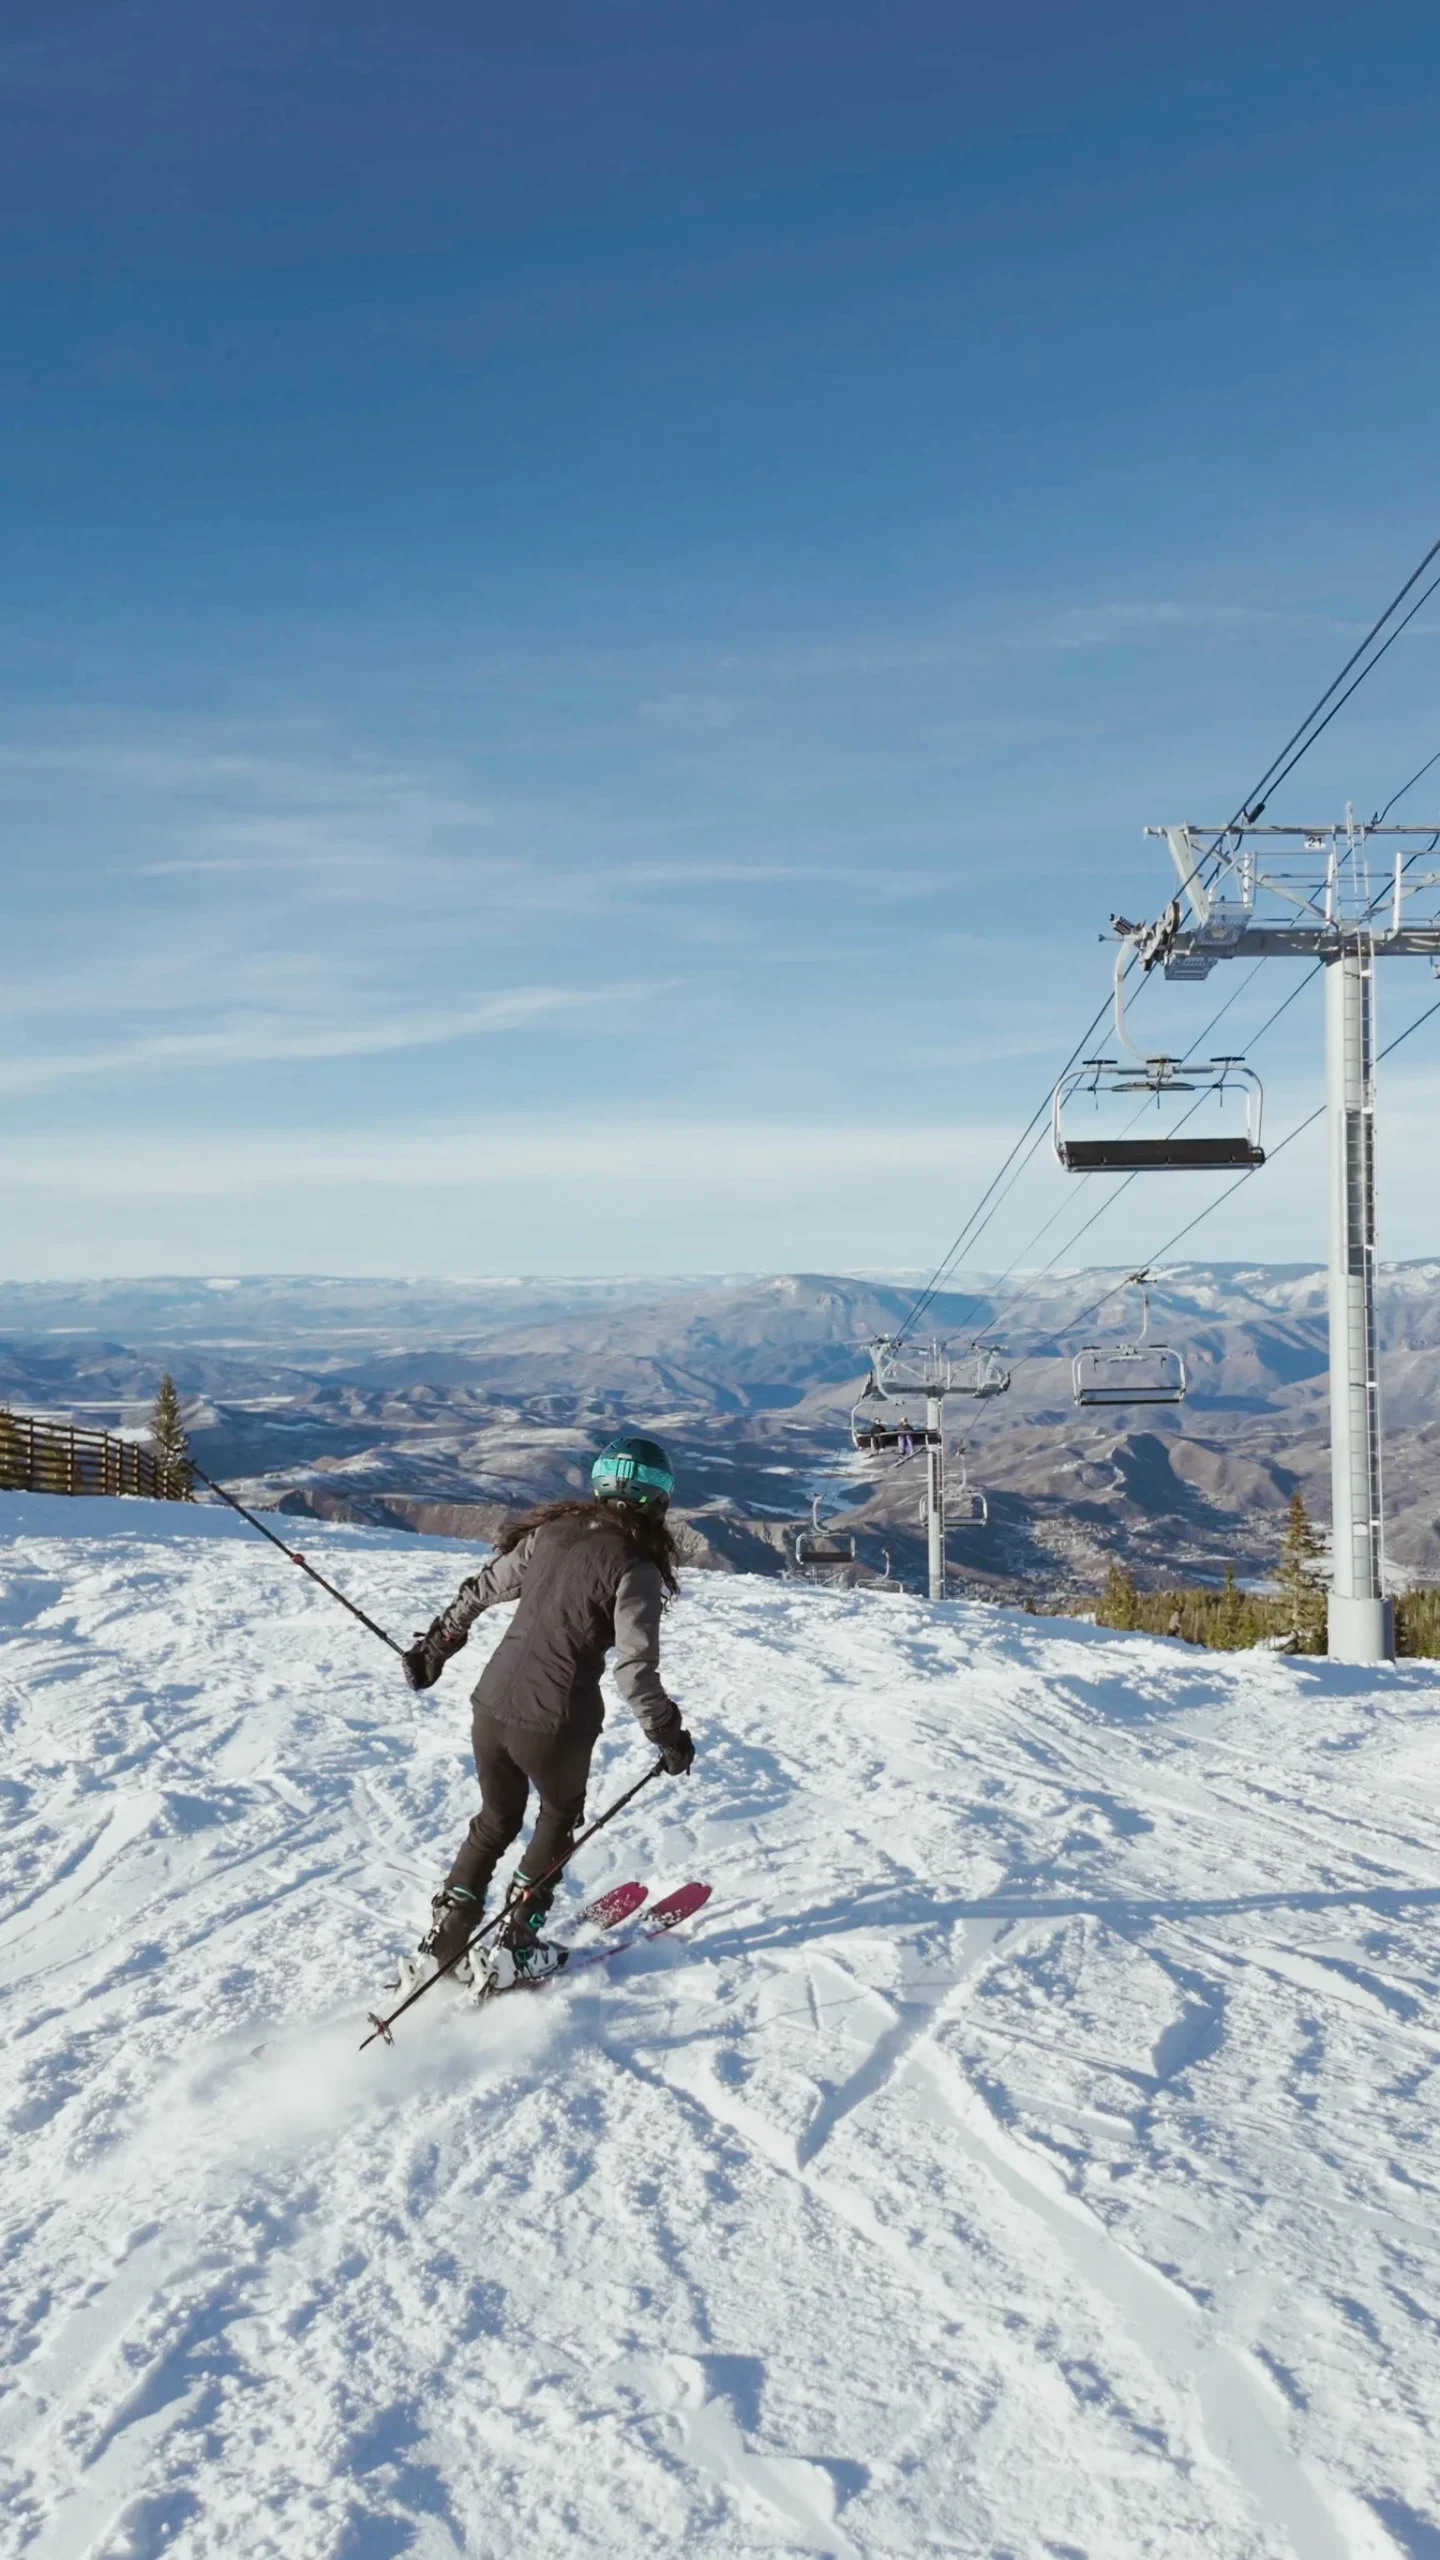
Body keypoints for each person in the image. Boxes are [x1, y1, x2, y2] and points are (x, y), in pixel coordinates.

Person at [396, 1432, 695, 1994]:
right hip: (556, 1720)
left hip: (491, 1707)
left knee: (495, 1820)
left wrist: (434, 1649)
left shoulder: (549, 1534)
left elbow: (482, 1590)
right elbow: (634, 1672)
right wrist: (669, 1734)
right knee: (557, 1817)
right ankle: (518, 1944)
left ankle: (448, 1936)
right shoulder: (637, 1567)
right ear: (659, 1497)